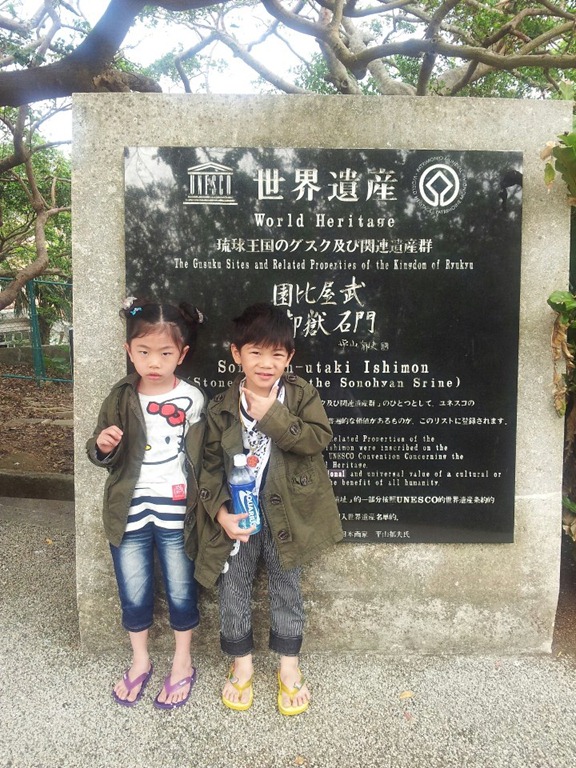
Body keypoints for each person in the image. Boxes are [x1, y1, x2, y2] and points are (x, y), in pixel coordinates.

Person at [188, 302, 343, 716]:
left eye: (277, 354)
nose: (266, 363)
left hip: (286, 515)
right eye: (255, 352)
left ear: (289, 357)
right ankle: (241, 663)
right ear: (236, 354)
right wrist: (221, 513)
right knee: (233, 587)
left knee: (286, 586)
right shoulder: (222, 407)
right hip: (239, 517)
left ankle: (289, 665)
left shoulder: (300, 394)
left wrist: (272, 415)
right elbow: (208, 467)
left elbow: (318, 438)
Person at [86, 297, 206, 709]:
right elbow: (98, 447)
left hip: (176, 509)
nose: (154, 362)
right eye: (143, 351)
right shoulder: (121, 396)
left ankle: (182, 660)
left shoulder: (193, 399)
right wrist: (102, 446)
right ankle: (140, 659)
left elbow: (204, 455)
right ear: (129, 351)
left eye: (165, 353)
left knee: (181, 587)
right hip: (129, 508)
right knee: (133, 588)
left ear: (182, 355)